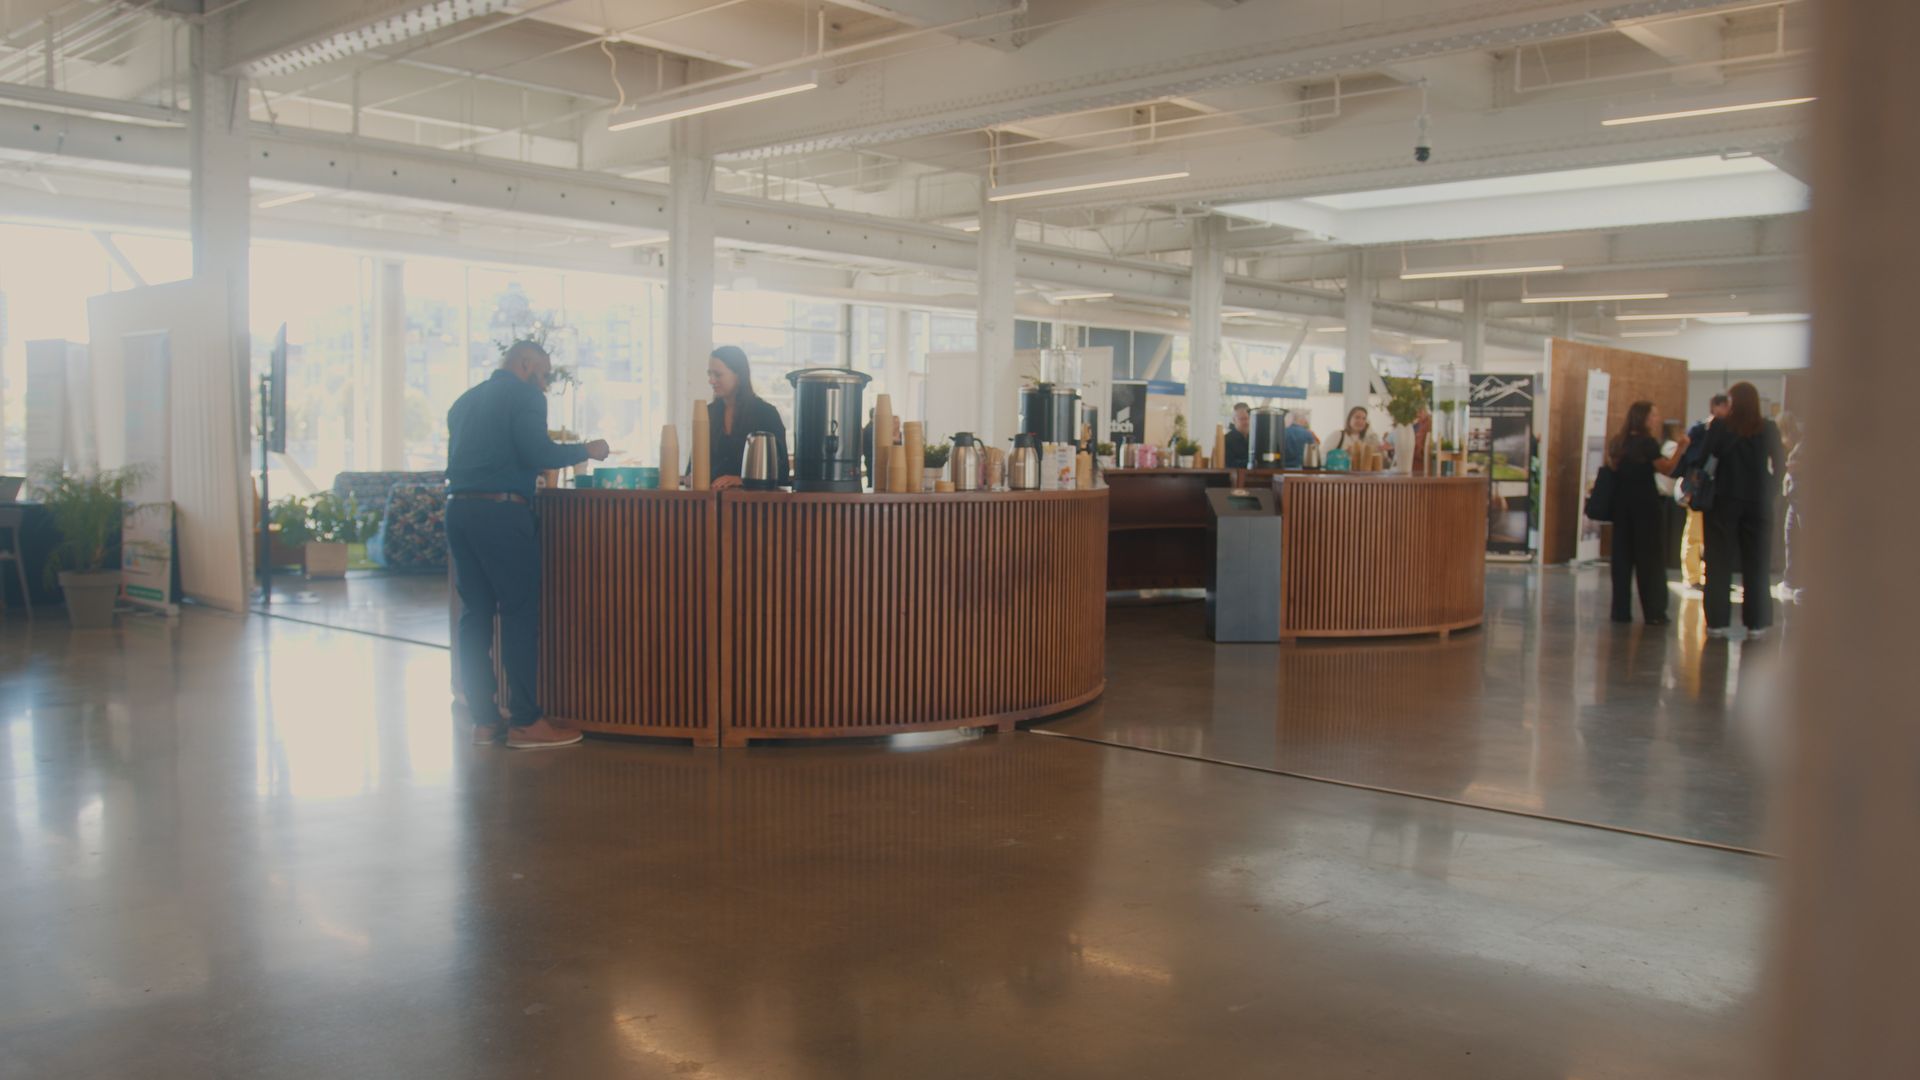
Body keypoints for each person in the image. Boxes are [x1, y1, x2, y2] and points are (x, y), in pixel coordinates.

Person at [446, 340, 610, 749]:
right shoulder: (525, 396)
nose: (545, 383)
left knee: (475, 616)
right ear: (525, 363)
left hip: (458, 511)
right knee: (518, 613)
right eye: (544, 373)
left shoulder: (464, 402)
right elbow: (537, 451)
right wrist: (587, 450)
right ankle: (525, 721)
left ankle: (484, 721)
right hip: (502, 513)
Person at [1701, 381, 1787, 638]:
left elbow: (1705, 457)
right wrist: (1770, 489)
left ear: (1733, 402)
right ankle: (1756, 623)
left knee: (1718, 562)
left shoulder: (1720, 426)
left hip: (1724, 500)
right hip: (1758, 502)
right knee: (1757, 562)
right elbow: (1780, 463)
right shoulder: (1768, 428)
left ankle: (1717, 622)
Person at [1606, 400, 1688, 626]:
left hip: (1622, 507)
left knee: (1622, 559)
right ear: (1644, 418)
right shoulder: (1647, 443)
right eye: (1653, 415)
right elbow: (1667, 468)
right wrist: (1681, 448)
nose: (1656, 419)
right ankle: (1654, 611)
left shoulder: (1618, 442)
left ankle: (1620, 611)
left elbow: (1614, 468)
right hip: (1646, 507)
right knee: (1650, 560)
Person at [705, 345, 789, 489]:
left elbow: (781, 472)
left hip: (752, 501)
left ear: (739, 376)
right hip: (711, 499)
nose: (711, 381)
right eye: (709, 374)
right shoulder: (708, 413)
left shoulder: (766, 414)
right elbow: (693, 465)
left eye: (718, 375)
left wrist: (742, 480)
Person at [1675, 393, 1730, 590]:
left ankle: (1709, 575)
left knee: (1711, 537)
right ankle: (1692, 576)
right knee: (1694, 534)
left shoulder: (1727, 431)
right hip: (1700, 489)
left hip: (1718, 490)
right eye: (1725, 406)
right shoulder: (1700, 430)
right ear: (1716, 406)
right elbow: (1693, 460)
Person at [1223, 402, 1251, 469]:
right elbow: (1229, 464)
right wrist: (1252, 463)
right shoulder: (1226, 440)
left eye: (1248, 418)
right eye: (1242, 419)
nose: (1246, 422)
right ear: (1234, 420)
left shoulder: (1256, 439)